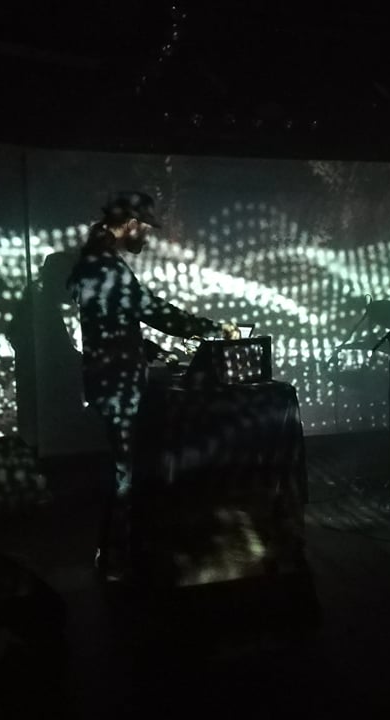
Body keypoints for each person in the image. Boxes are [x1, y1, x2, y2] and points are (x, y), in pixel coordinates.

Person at [66, 191, 238, 581]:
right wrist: (214, 329)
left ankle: (117, 553)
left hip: (109, 381)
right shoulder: (107, 268)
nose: (146, 235)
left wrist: (149, 349)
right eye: (145, 228)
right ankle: (119, 559)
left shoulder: (94, 264)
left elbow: (111, 323)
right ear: (130, 224)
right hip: (119, 386)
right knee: (125, 472)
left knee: (124, 468)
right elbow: (153, 310)